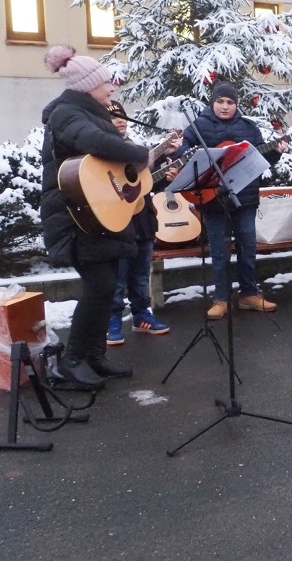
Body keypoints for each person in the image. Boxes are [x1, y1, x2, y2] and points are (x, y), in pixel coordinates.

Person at [40, 45, 179, 388]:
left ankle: (95, 356)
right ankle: (73, 360)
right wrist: (137, 154)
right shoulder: (67, 113)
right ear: (89, 85)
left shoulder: (87, 112)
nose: (112, 88)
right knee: (100, 285)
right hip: (75, 214)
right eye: (106, 84)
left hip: (96, 210)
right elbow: (92, 141)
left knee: (104, 286)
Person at [176, 81, 285, 319]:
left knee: (248, 248)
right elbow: (182, 154)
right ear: (213, 102)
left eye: (230, 102)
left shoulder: (249, 127)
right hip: (213, 200)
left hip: (244, 198)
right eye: (220, 101)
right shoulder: (198, 126)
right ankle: (221, 298)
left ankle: (248, 294)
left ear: (236, 105)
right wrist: (177, 151)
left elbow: (260, 159)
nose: (225, 107)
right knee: (219, 250)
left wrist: (276, 151)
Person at [106, 102, 174, 345]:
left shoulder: (137, 151)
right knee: (117, 278)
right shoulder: (100, 153)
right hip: (118, 225)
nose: (120, 120)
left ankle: (141, 315)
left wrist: (163, 179)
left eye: (122, 116)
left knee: (140, 277)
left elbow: (142, 188)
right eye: (113, 117)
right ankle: (112, 320)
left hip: (143, 222)